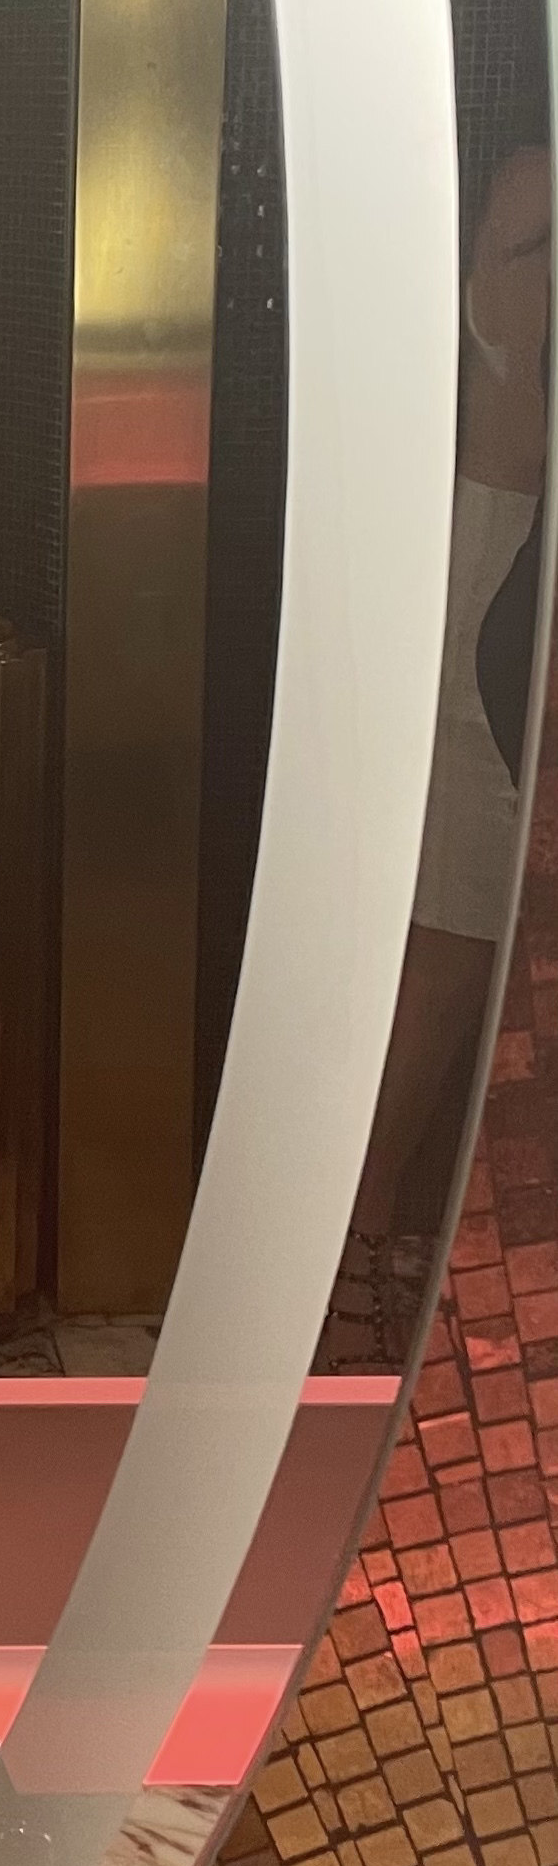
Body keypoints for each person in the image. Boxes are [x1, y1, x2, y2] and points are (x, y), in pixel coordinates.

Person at [325, 107, 551, 1364]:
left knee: (477, 952)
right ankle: (352, 1239)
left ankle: (411, 1233)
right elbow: (497, 335)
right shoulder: (530, 174)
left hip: (517, 546)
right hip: (492, 544)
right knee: (450, 938)